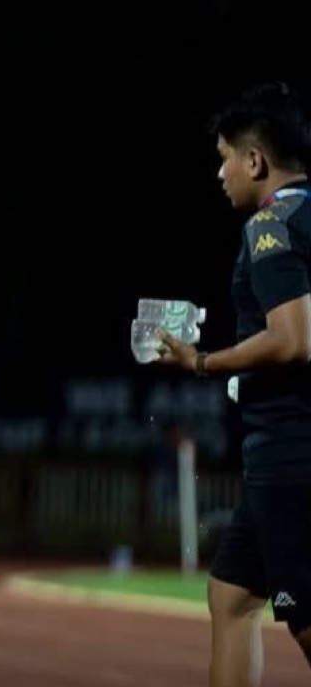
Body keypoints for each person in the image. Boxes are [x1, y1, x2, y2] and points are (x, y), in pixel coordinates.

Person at [156, 82, 311, 685]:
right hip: (284, 449)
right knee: (232, 593)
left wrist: (203, 363)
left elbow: (292, 339)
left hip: (290, 450)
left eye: (225, 158)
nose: (220, 172)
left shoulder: (271, 226)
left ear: (255, 161)